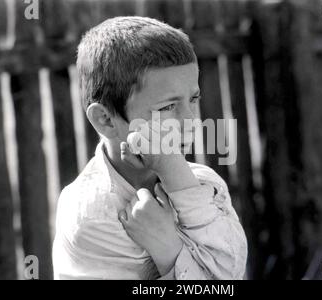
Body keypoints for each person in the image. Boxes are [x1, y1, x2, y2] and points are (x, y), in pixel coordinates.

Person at [52, 16, 247, 280]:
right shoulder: (93, 215)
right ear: (106, 120)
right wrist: (171, 250)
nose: (190, 120)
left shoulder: (202, 182)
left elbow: (232, 273)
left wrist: (167, 249)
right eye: (167, 107)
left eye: (193, 99)